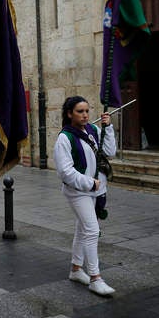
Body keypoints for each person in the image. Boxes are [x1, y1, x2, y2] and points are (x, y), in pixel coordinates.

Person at [54, 96, 116, 297]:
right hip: (78, 192)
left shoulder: (93, 130)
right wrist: (88, 182)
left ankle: (76, 269)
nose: (85, 115)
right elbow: (65, 172)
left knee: (82, 229)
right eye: (80, 111)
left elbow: (110, 151)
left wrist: (108, 129)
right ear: (70, 113)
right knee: (91, 230)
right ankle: (95, 278)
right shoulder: (65, 138)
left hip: (97, 190)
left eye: (87, 111)